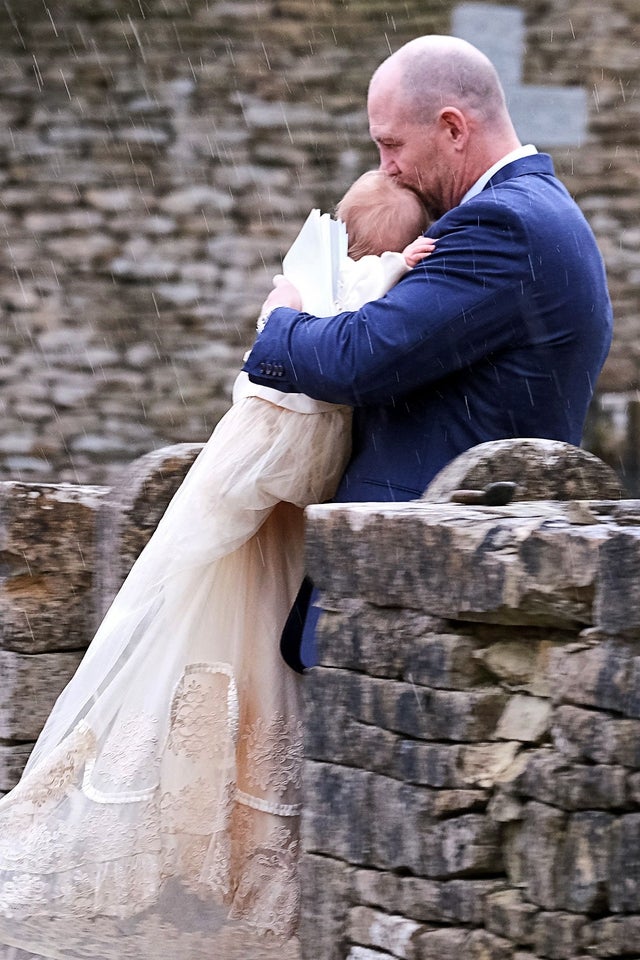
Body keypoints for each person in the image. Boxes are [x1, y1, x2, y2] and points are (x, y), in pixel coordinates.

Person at [0, 172, 433, 960]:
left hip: (277, 494)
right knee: (213, 649)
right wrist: (401, 268)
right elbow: (356, 316)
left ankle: (225, 848)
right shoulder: (329, 292)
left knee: (245, 660)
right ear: (368, 246)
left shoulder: (305, 301)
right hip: (267, 478)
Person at [247, 34, 614, 670]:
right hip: (442, 591)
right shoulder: (542, 213)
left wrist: (280, 319)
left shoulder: (502, 226)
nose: (384, 166)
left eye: (391, 144)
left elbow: (358, 358)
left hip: (418, 601)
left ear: (451, 127)